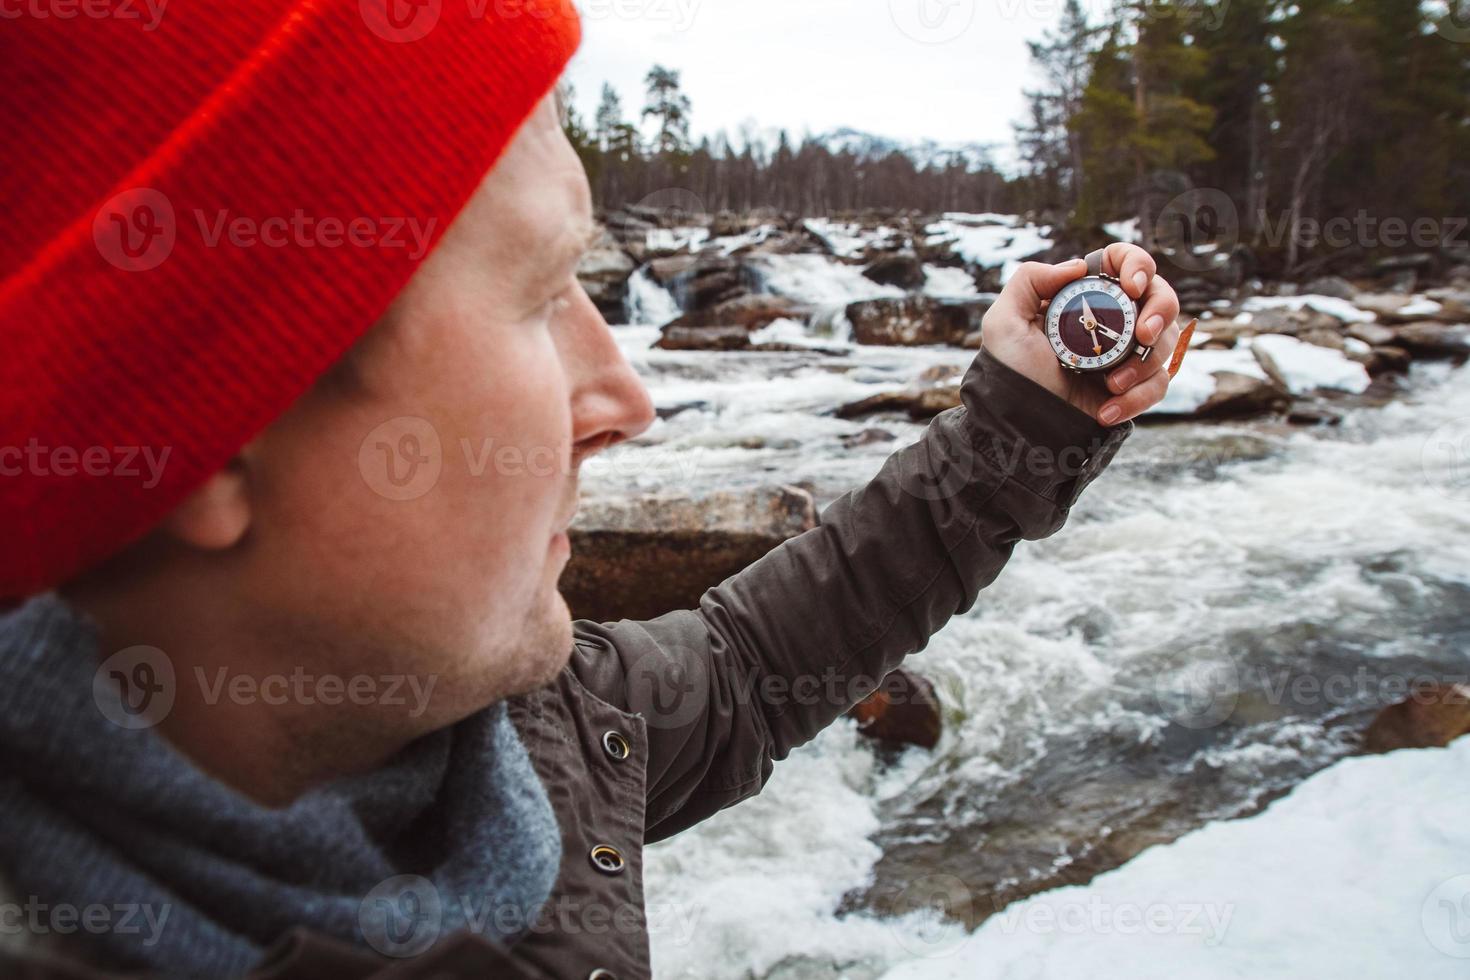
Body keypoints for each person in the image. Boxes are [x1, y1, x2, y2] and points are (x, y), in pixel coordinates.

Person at [0, 3, 1181, 978]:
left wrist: (1028, 418)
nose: (626, 398)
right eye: (540, 293)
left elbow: (754, 669)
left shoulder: (524, 725)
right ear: (211, 431)